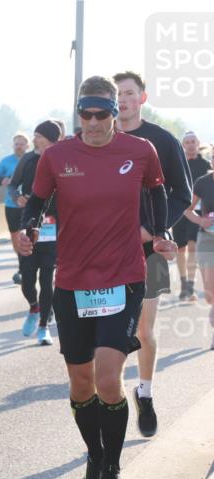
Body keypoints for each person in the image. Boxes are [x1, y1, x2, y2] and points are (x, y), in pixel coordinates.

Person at [18, 75, 176, 479]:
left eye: (100, 114)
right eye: (84, 114)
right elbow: (36, 201)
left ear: (115, 112)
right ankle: (94, 454)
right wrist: (27, 229)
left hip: (123, 277)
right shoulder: (58, 157)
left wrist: (160, 232)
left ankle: (113, 470)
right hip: (72, 282)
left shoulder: (140, 151)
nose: (91, 122)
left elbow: (158, 192)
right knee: (81, 385)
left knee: (109, 380)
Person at [113, 71, 193, 439]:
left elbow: (181, 192)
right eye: (117, 94)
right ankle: (109, 409)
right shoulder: (98, 140)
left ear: (141, 98)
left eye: (128, 93)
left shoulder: (161, 139)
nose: (122, 100)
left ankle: (144, 392)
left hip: (151, 249)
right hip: (106, 252)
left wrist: (153, 229)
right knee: (110, 335)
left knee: (144, 329)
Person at [10, 120, 64, 345]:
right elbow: (13, 186)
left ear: (51, 139)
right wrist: (18, 198)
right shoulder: (29, 160)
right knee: (27, 277)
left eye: (38, 136)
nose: (34, 141)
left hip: (54, 228)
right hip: (31, 225)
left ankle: (44, 327)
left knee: (47, 277)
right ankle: (34, 307)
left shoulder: (64, 161)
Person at [177, 130, 212, 301]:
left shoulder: (206, 165)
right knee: (180, 248)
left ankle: (190, 284)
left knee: (192, 245)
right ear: (183, 145)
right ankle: (183, 283)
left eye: (193, 141)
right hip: (179, 209)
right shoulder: (178, 162)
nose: (190, 144)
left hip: (198, 211)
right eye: (187, 141)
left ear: (198, 144)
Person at [0, 133, 30, 285]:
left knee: (29, 234)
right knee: (15, 235)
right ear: (12, 145)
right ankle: (22, 263)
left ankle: (26, 266)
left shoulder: (32, 159)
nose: (19, 146)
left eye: (22, 144)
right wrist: (4, 180)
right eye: (16, 144)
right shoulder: (6, 161)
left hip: (29, 204)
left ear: (27, 146)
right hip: (11, 204)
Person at [183, 171, 214, 349]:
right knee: (210, 293)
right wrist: (200, 220)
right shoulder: (202, 182)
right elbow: (187, 209)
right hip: (207, 239)